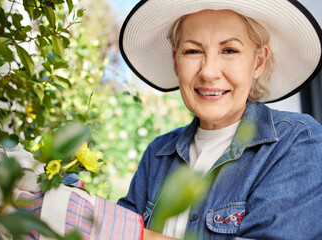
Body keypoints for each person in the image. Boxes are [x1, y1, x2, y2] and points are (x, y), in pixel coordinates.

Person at [117, 0, 322, 239]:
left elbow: (118, 231)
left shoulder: (298, 143)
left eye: (229, 50)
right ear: (175, 61)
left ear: (258, 62)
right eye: (192, 51)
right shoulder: (158, 154)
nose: (208, 71)